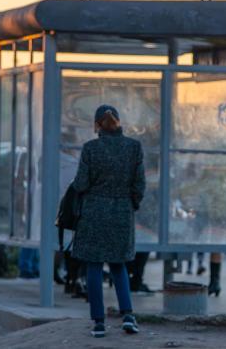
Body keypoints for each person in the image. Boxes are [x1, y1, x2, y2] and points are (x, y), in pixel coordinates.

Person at [71, 105, 145, 338]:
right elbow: (139, 184)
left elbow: (81, 184)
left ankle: (99, 323)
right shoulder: (134, 148)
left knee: (93, 265)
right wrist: (130, 203)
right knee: (118, 264)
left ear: (96, 126)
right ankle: (128, 316)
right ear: (119, 122)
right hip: (122, 212)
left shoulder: (90, 149)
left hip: (94, 213)